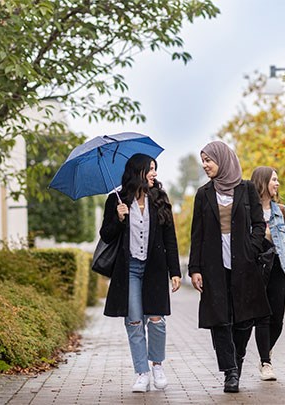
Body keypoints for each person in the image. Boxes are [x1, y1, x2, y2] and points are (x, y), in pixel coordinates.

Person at [188, 141, 270, 393]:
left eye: (208, 160)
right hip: (213, 265)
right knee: (219, 320)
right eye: (203, 160)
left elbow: (259, 224)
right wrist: (195, 268)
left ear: (222, 160)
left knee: (243, 320)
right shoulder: (203, 194)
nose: (205, 165)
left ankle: (238, 360)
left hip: (244, 265)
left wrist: (252, 248)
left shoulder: (246, 189)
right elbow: (197, 234)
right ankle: (230, 372)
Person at [99, 153, 181, 393]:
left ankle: (157, 365)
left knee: (156, 320)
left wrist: (174, 271)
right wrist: (118, 217)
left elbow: (170, 238)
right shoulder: (117, 200)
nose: (155, 173)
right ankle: (142, 373)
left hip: (154, 268)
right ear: (138, 172)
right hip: (130, 270)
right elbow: (106, 235)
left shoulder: (159, 198)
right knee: (134, 321)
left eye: (156, 168)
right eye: (150, 169)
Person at [250, 166, 285, 381]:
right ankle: (266, 363)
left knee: (278, 319)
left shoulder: (282, 210)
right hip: (258, 267)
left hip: (277, 266)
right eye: (273, 180)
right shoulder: (249, 210)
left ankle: (265, 351)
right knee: (263, 316)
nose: (277, 184)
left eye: (278, 180)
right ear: (262, 182)